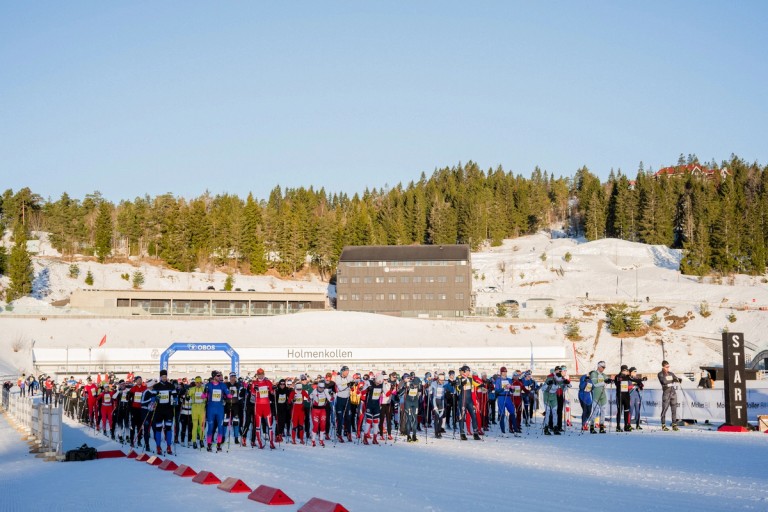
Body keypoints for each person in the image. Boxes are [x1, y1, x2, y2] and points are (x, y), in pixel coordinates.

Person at [202, 370, 233, 452]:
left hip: (220, 409)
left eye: (220, 375)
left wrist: (231, 393)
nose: (220, 377)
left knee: (220, 427)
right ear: (214, 376)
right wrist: (205, 392)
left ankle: (219, 444)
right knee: (210, 428)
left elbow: (229, 396)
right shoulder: (209, 385)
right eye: (218, 375)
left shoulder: (222, 385)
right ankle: (209, 444)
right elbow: (203, 396)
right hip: (211, 409)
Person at [149, 369, 178, 455]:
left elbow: (175, 396)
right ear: (160, 377)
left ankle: (169, 446)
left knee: (168, 428)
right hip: (159, 410)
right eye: (163, 377)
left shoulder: (171, 386)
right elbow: (152, 397)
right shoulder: (156, 386)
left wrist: (175, 400)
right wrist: (155, 399)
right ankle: (158, 447)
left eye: (165, 376)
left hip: (168, 410)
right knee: (158, 429)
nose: (164, 378)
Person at [249, 368, 275, 449]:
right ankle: (259, 442)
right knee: (258, 426)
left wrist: (274, 389)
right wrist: (254, 390)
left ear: (264, 374)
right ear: (257, 374)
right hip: (258, 406)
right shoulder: (254, 383)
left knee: (270, 425)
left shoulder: (268, 382)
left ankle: (271, 442)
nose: (261, 375)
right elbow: (252, 393)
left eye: (262, 374)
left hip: (266, 406)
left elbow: (272, 392)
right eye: (259, 374)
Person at [455, 365, 480, 440]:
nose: (469, 372)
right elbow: (458, 388)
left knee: (474, 416)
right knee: (462, 417)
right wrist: (461, 385)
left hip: (469, 401)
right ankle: (462, 433)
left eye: (469, 371)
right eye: (467, 371)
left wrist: (482, 385)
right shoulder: (459, 378)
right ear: (464, 371)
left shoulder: (470, 378)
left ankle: (475, 433)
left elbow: (475, 384)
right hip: (462, 400)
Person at [658, 360, 681, 431]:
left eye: (668, 367)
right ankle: (663, 425)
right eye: (666, 367)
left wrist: (678, 379)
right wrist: (671, 380)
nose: (668, 368)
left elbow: (676, 379)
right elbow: (663, 381)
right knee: (664, 409)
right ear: (663, 367)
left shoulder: (671, 373)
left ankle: (674, 425)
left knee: (674, 410)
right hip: (666, 393)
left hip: (673, 393)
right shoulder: (660, 374)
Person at [588, 361, 610, 434]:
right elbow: (595, 384)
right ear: (599, 366)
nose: (603, 369)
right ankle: (591, 426)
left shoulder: (604, 375)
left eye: (604, 367)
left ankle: (601, 427)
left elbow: (607, 380)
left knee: (603, 411)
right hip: (596, 395)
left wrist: (610, 380)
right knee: (595, 411)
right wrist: (604, 382)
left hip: (603, 395)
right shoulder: (594, 373)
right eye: (602, 367)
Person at [333, 366, 353, 442]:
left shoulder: (349, 377)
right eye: (346, 371)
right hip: (340, 399)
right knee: (340, 418)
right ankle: (339, 434)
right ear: (342, 371)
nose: (347, 373)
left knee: (348, 417)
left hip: (347, 399)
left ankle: (348, 433)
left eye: (348, 371)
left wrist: (353, 385)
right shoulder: (337, 377)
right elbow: (340, 388)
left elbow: (352, 386)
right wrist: (348, 385)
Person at [309, 381, 332, 446]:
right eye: (320, 388)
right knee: (316, 426)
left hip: (322, 410)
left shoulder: (325, 391)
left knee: (323, 425)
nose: (321, 389)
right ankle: (313, 440)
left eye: (322, 388)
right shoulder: (314, 391)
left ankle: (321, 440)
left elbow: (330, 399)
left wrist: (332, 397)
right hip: (315, 410)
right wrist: (309, 399)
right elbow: (309, 398)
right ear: (318, 387)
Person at [493, 367, 515, 434]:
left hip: (508, 397)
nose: (505, 373)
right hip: (501, 397)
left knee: (512, 412)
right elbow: (497, 391)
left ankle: (515, 429)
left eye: (506, 372)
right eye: (503, 372)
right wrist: (503, 388)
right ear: (501, 372)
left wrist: (512, 388)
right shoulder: (498, 380)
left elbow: (512, 391)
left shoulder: (509, 380)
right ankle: (503, 431)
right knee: (502, 414)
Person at [187, 376, 206, 449]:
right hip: (194, 409)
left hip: (202, 409)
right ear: (195, 383)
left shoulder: (203, 389)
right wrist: (187, 396)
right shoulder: (192, 389)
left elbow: (207, 396)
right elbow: (187, 395)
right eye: (197, 382)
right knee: (194, 426)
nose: (198, 384)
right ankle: (194, 441)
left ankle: (201, 440)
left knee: (201, 426)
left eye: (200, 382)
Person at [614, 365, 632, 432]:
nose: (627, 372)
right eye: (626, 370)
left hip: (626, 396)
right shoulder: (617, 376)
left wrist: (641, 380)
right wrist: (625, 377)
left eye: (627, 370)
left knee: (626, 411)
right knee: (619, 411)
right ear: (623, 370)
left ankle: (626, 426)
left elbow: (634, 379)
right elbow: (617, 382)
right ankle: (618, 426)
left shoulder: (627, 377)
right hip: (620, 396)